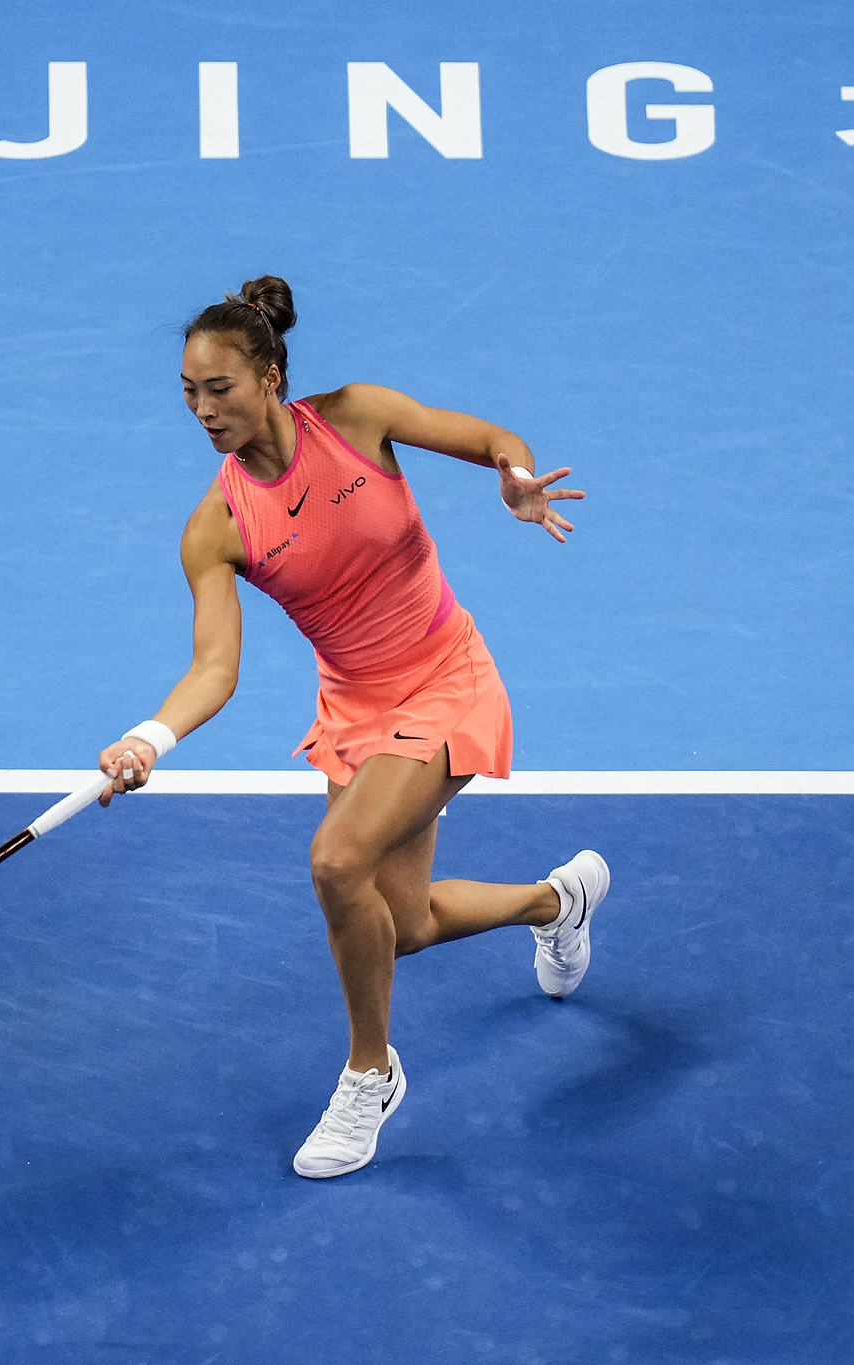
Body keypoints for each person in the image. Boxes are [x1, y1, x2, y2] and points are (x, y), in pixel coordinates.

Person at [95, 275, 611, 1179]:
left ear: (270, 377)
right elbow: (216, 669)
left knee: (337, 860)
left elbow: (491, 439)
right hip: (357, 707)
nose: (202, 410)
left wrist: (516, 479)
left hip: (447, 678)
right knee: (401, 923)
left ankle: (370, 1073)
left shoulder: (359, 417)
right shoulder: (215, 527)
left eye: (219, 389)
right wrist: (149, 738)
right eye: (188, 392)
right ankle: (557, 902)